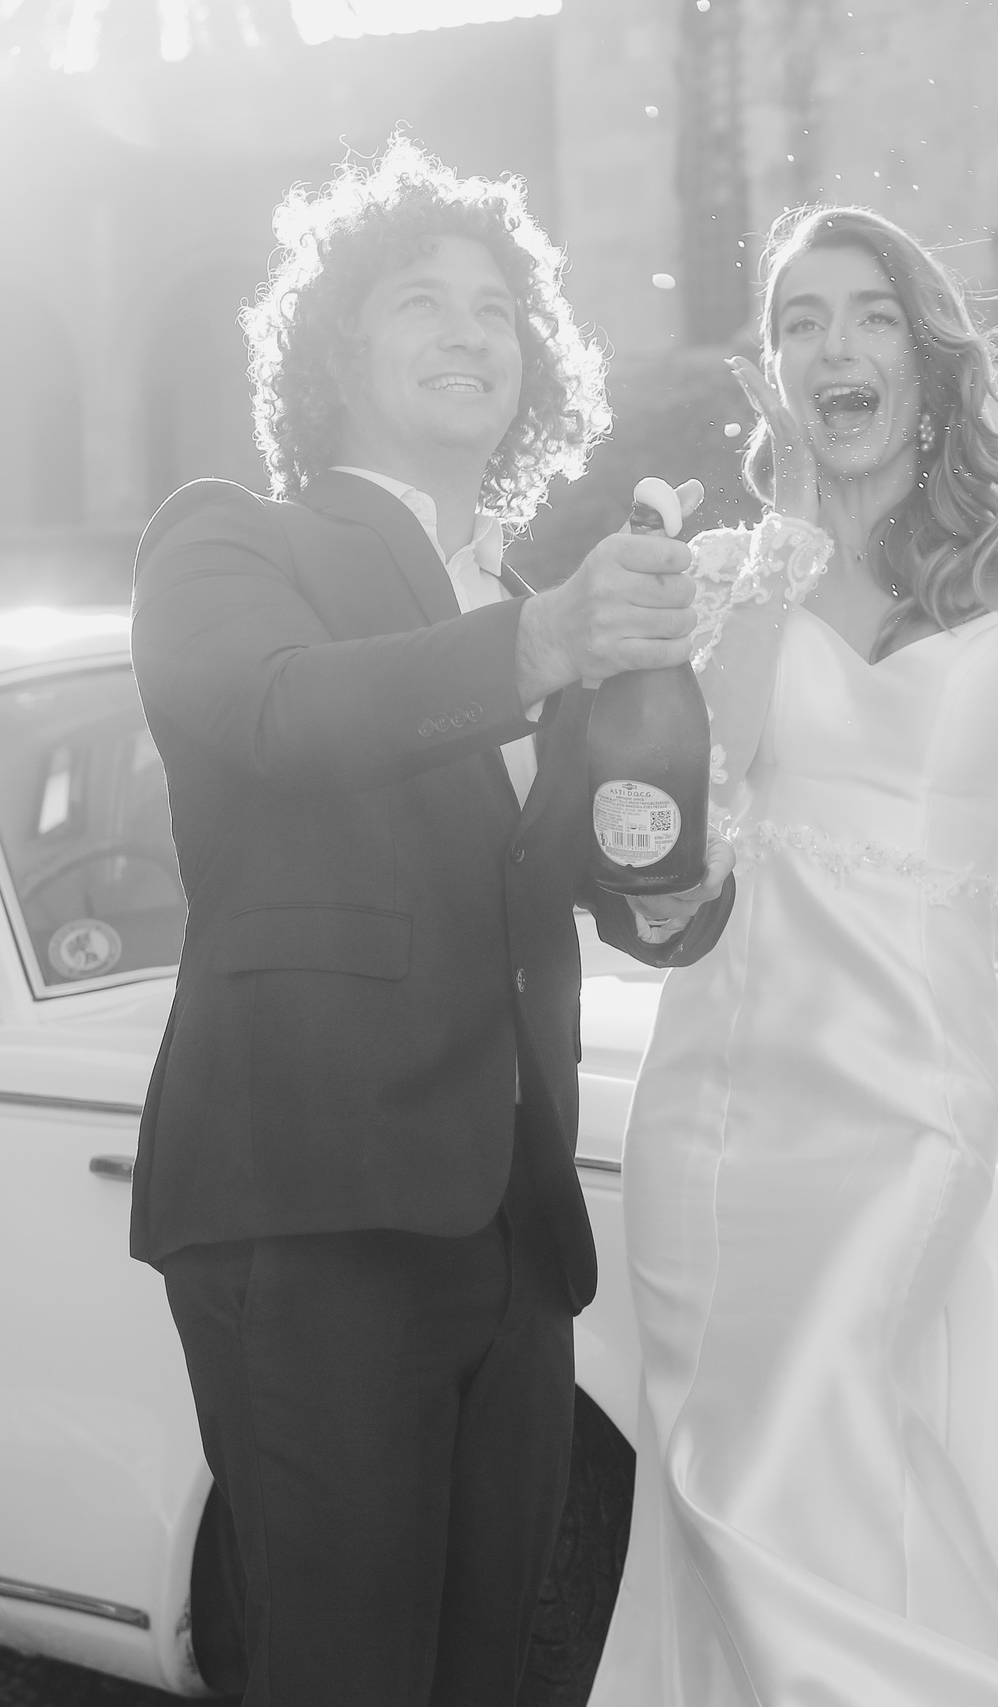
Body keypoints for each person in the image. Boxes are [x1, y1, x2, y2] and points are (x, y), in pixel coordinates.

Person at [127, 140, 734, 1707]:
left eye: (499, 309)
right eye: (422, 302)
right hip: (313, 1215)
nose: (474, 333)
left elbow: (610, 866)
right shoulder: (232, 544)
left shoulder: (534, 599)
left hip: (515, 1241)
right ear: (334, 349)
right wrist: (538, 641)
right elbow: (284, 718)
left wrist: (677, 887)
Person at [588, 205, 998, 1706]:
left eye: (866, 315)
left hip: (910, 1096)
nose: (833, 345)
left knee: (783, 1457)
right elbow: (689, 832)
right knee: (732, 1477)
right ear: (774, 373)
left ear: (927, 360)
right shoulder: (734, 574)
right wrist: (751, 591)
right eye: (800, 321)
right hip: (718, 1107)